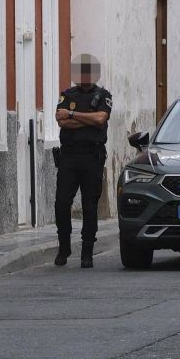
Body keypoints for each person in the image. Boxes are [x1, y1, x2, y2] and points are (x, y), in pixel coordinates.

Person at [53, 57, 113, 268]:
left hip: (92, 157)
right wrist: (85, 118)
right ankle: (64, 246)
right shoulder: (67, 95)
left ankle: (87, 250)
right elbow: (61, 121)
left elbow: (100, 120)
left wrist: (72, 115)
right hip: (69, 156)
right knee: (61, 202)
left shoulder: (103, 95)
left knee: (89, 205)